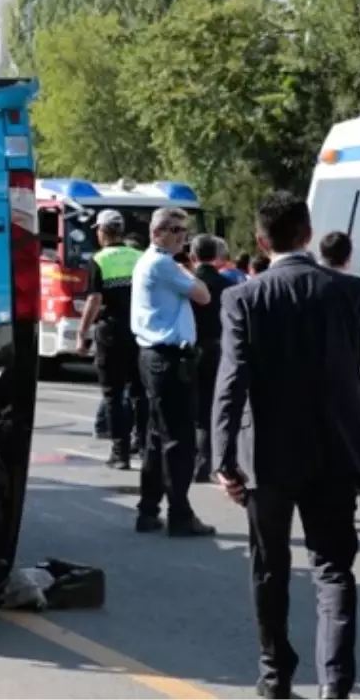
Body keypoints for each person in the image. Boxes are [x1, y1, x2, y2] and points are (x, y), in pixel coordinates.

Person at [213, 192, 360, 700]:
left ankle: (275, 676)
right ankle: (334, 686)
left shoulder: (243, 299)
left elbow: (231, 383)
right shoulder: (350, 292)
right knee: (334, 571)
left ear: (259, 240)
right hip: (334, 454)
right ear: (308, 233)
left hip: (266, 458)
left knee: (269, 568)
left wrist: (224, 460)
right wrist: (356, 414)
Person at [131, 207, 215, 537]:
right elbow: (204, 295)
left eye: (184, 230)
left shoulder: (152, 262)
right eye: (175, 230)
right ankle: (180, 513)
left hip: (155, 357)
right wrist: (190, 268)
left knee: (157, 436)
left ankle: (148, 510)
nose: (183, 236)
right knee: (178, 440)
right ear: (157, 233)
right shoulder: (164, 264)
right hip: (168, 359)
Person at [76, 210, 146, 469]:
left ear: (103, 232)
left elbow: (94, 300)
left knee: (113, 394)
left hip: (111, 332)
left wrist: (82, 333)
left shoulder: (99, 260)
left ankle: (120, 453)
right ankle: (144, 445)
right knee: (140, 392)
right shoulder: (139, 257)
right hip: (139, 331)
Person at [189, 235, 231, 483]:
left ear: (193, 256)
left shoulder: (190, 284)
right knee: (212, 405)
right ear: (216, 256)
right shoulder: (226, 284)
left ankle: (196, 460)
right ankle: (208, 459)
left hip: (193, 348)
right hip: (219, 348)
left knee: (192, 407)